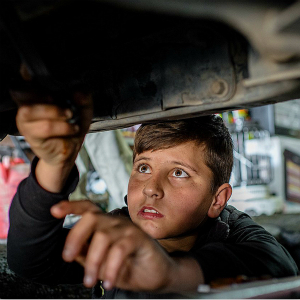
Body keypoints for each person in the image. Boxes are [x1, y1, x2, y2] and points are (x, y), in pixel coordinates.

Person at [7, 93, 298, 298]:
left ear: (217, 200)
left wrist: (172, 274)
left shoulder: (236, 232)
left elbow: (277, 267)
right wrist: (55, 166)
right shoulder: (119, 230)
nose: (151, 188)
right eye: (143, 168)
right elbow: (30, 260)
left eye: (179, 173)